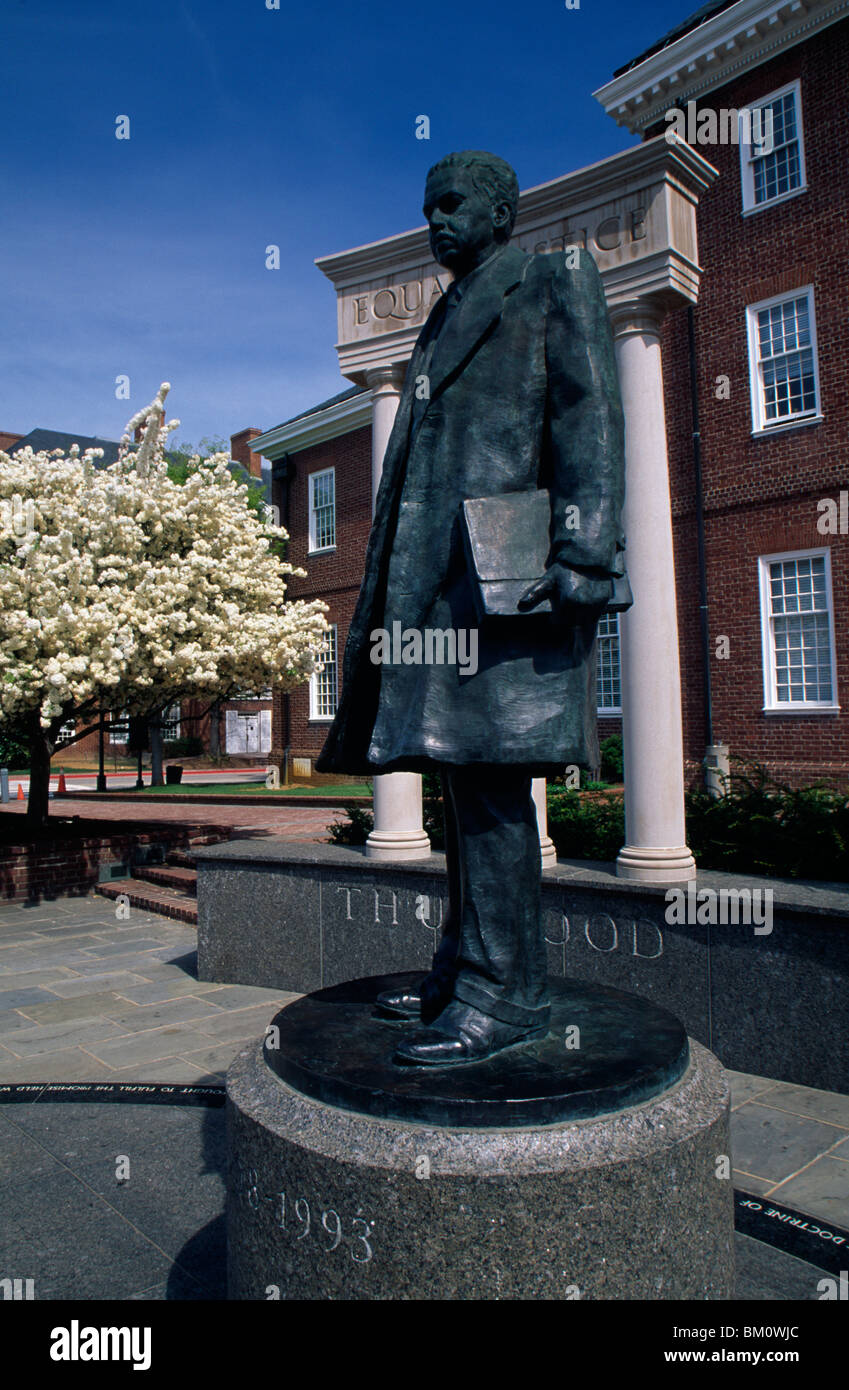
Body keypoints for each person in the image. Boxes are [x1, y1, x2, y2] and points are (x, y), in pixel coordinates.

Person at [316, 150, 625, 1065]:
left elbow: (586, 415)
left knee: (491, 788)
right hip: (436, 589)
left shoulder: (548, 278)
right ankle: (464, 971)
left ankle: (507, 996)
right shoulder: (444, 314)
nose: (434, 220)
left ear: (501, 211)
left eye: (451, 204)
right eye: (427, 207)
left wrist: (582, 549)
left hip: (509, 585)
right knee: (460, 779)